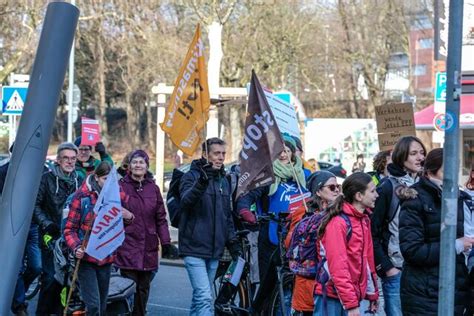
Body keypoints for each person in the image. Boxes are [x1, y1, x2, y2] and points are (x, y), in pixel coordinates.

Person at [399, 148, 473, 315]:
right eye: (448, 168)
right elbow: (412, 251)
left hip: (455, 289)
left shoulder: (459, 197)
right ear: (432, 171)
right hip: (424, 294)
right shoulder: (415, 199)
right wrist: (455, 245)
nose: (454, 173)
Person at [178, 138, 240, 315]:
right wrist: (202, 182)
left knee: (199, 298)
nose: (220, 158)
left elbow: (226, 215)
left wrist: (232, 241)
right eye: (216, 154)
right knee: (205, 297)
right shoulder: (191, 176)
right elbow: (186, 202)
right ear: (205, 155)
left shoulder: (224, 180)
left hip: (215, 250)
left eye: (223, 154)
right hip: (193, 247)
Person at [64, 162, 133, 315]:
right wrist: (76, 247)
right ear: (96, 177)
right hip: (86, 259)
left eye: (111, 180)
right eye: (105, 179)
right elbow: (69, 229)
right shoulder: (82, 197)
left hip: (106, 258)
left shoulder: (117, 196)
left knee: (102, 305)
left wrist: (129, 217)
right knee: (93, 305)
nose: (108, 184)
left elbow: (120, 226)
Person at [115, 149, 177, 316]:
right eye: (135, 162)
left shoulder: (154, 189)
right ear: (129, 166)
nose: (138, 165)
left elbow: (161, 218)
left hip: (148, 246)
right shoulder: (121, 186)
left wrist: (166, 243)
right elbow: (112, 214)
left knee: (143, 289)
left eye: (141, 162)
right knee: (128, 288)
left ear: (146, 166)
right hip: (126, 245)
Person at [371, 136, 426, 316]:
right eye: (414, 153)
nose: (420, 157)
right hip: (397, 269)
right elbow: (373, 231)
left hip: (422, 269)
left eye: (422, 153)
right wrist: (387, 267)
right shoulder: (387, 187)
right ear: (402, 157)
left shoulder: (426, 185)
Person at [314, 172, 379, 315]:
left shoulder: (364, 219)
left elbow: (367, 263)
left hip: (351, 296)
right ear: (359, 196)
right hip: (331, 296)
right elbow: (338, 267)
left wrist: (371, 294)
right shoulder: (338, 223)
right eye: (373, 191)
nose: (377, 195)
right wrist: (351, 305)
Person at [34, 142, 83, 315]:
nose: (69, 162)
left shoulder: (80, 180)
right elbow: (35, 206)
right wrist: (47, 224)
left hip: (72, 238)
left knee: (67, 281)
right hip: (50, 236)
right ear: (58, 160)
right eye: (66, 158)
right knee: (50, 278)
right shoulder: (46, 178)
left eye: (73, 158)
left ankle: (59, 312)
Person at [284, 171, 340, 316]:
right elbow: (290, 243)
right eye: (332, 187)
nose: (337, 190)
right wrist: (309, 226)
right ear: (318, 191)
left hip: (331, 284)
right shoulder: (304, 212)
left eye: (338, 186)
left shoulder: (338, 211)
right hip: (309, 284)